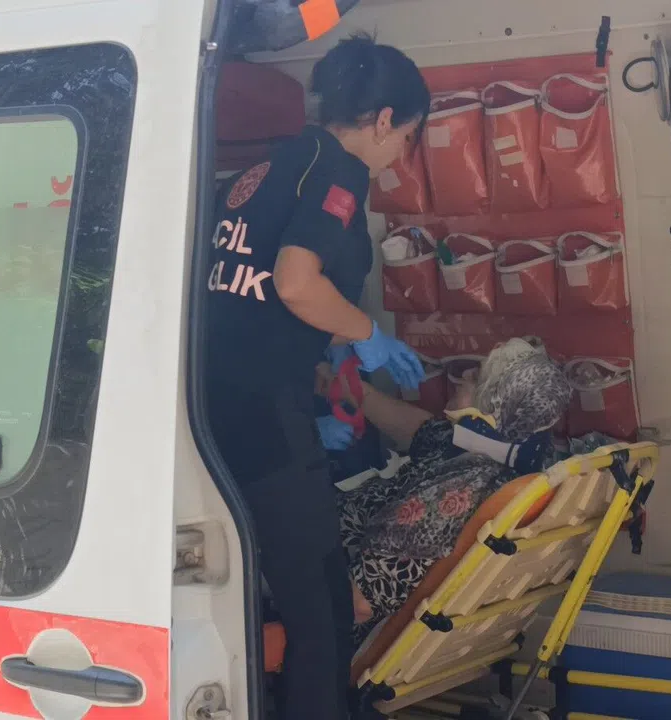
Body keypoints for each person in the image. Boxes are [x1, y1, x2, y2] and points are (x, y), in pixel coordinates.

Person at [203, 35, 430, 720]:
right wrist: (368, 334)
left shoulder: (278, 162)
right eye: (408, 137)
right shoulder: (339, 174)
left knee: (280, 593)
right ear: (384, 120)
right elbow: (297, 283)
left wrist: (342, 348)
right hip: (265, 415)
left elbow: (253, 294)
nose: (401, 155)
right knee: (322, 609)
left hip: (214, 406)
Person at [321, 339, 572, 646]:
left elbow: (358, 603)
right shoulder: (488, 455)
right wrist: (335, 382)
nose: (463, 376)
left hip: (310, 585)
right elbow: (414, 428)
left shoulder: (455, 496)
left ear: (493, 409)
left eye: (476, 377)